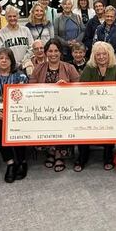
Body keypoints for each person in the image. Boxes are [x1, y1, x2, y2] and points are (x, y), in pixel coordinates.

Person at [31, 39, 80, 172]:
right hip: (44, 107)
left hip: (66, 107)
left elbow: (79, 89)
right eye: (50, 51)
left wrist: (67, 86)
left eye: (56, 51)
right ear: (46, 53)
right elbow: (31, 88)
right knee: (47, 119)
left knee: (61, 120)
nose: (53, 54)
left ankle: (59, 154)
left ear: (60, 52)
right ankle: (51, 151)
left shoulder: (69, 68)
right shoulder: (38, 68)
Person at [76, 42, 116, 172]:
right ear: (94, 56)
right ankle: (82, 156)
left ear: (109, 55)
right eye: (98, 54)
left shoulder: (115, 69)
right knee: (82, 124)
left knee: (110, 122)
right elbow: (80, 90)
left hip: (110, 110)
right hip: (89, 109)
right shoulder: (89, 68)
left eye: (104, 54)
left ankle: (108, 156)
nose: (101, 57)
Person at [0, 48, 29, 183]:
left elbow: (27, 99)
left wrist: (15, 112)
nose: (3, 61)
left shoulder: (21, 77)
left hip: (18, 112)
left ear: (11, 61)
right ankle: (10, 162)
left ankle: (22, 161)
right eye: (1, 58)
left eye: (6, 58)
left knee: (18, 126)